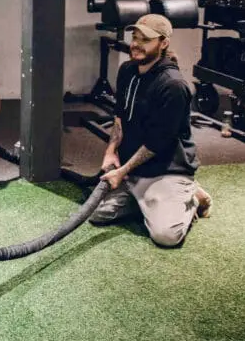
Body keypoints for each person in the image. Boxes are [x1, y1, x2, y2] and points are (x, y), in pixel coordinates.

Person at [91, 13, 212, 247]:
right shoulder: (127, 70)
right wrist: (111, 151)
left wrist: (121, 171)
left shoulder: (173, 86)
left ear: (163, 43)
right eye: (135, 37)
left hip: (166, 171)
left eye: (145, 40)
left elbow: (157, 143)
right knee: (97, 214)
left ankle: (193, 197)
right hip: (134, 171)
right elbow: (119, 119)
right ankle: (146, 201)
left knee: (166, 236)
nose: (135, 44)